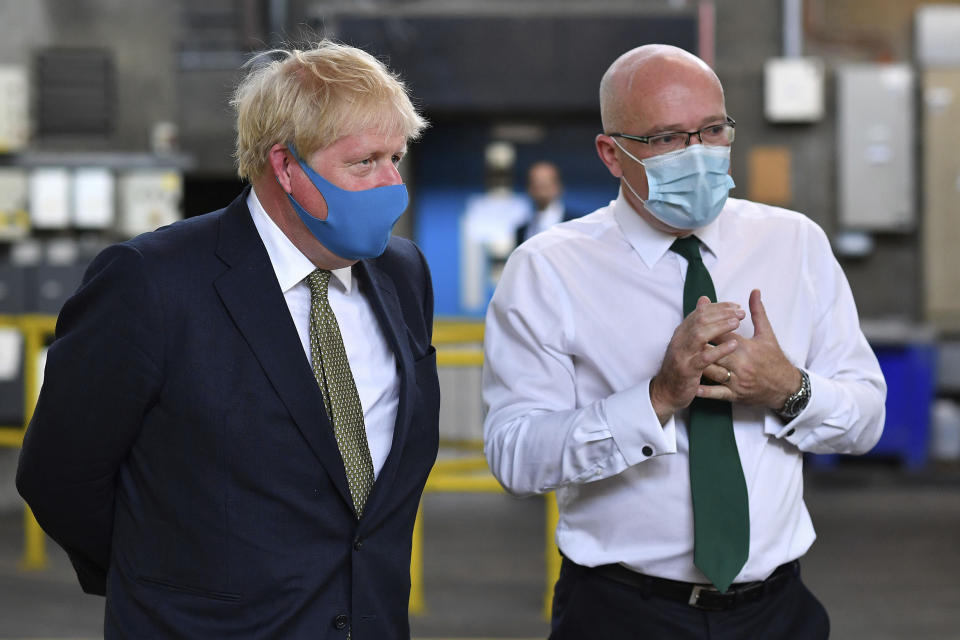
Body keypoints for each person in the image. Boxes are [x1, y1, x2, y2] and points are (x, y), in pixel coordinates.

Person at [17, 41, 439, 639]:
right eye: (365, 162)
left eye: (396, 157)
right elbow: (59, 475)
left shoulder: (404, 273)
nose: (393, 185)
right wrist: (164, 582)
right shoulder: (152, 282)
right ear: (285, 167)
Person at [483, 44, 885, 639]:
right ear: (611, 154)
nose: (698, 154)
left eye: (713, 129)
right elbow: (515, 455)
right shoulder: (548, 269)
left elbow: (866, 418)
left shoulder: (794, 244)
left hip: (777, 612)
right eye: (668, 138)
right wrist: (656, 400)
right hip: (621, 612)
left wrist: (788, 389)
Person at [514, 161, 582, 247]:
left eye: (545, 184)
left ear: (559, 186)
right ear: (529, 189)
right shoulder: (521, 231)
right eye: (536, 184)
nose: (541, 191)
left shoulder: (576, 225)